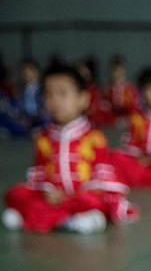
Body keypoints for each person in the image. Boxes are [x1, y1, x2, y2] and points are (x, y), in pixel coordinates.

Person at [2, 63, 138, 233]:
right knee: (14, 194)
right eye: (49, 95)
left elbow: (102, 179)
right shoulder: (43, 138)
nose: (55, 100)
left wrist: (69, 197)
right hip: (52, 197)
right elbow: (39, 176)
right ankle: (70, 220)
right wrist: (49, 192)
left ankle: (44, 217)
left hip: (83, 197)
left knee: (93, 201)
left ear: (83, 99)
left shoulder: (94, 138)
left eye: (63, 94)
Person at [106, 55, 141, 121]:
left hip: (129, 119)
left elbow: (135, 106)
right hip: (112, 121)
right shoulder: (108, 89)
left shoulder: (130, 89)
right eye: (114, 71)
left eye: (119, 70)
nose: (117, 73)